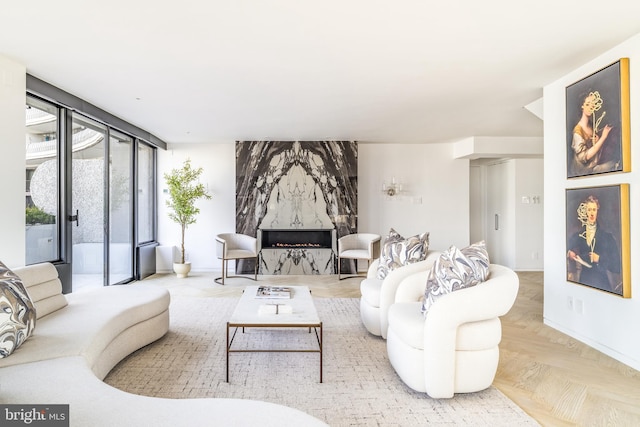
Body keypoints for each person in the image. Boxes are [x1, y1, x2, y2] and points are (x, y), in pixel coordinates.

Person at [567, 195, 620, 292]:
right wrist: (569, 254)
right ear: (585, 212)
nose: (592, 213)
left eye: (594, 210)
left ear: (597, 211)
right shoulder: (578, 236)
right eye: (589, 210)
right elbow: (564, 248)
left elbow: (617, 266)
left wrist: (599, 259)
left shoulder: (607, 237)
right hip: (584, 282)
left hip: (602, 284)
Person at [570, 91, 617, 176]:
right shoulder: (578, 131)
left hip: (594, 166)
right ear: (582, 106)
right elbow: (585, 157)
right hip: (584, 171)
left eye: (593, 104)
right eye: (588, 104)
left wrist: (597, 139)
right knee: (613, 164)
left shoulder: (592, 125)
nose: (591, 107)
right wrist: (603, 137)